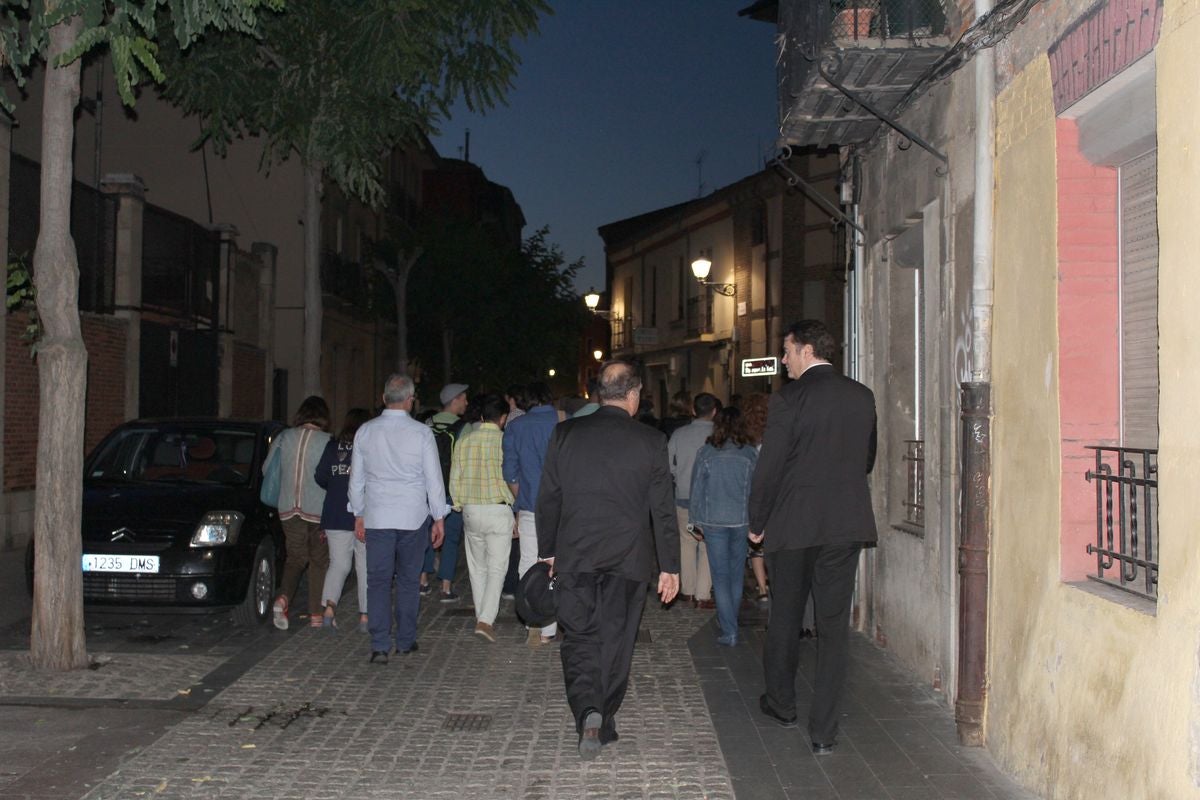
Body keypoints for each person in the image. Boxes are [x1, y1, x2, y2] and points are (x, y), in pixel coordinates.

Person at [536, 360, 680, 759]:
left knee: (580, 636)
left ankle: (589, 710)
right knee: (616, 639)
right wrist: (670, 566)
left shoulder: (565, 434)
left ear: (600, 393)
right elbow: (662, 511)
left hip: (576, 553)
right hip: (628, 557)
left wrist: (548, 551)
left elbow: (549, 496)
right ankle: (605, 717)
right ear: (633, 395)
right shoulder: (651, 441)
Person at [749, 321, 877, 755]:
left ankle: (782, 704)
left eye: (786, 351)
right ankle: (824, 731)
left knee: (785, 616)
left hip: (795, 523)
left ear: (805, 350)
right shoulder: (862, 396)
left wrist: (757, 519)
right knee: (833, 627)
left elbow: (770, 466)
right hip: (845, 523)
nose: (783, 360)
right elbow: (868, 458)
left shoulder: (789, 398)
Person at [349, 374, 448, 664]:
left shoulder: (365, 431)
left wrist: (358, 512)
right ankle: (405, 640)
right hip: (413, 517)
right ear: (410, 400)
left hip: (378, 516)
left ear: (383, 399)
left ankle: (380, 644)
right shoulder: (421, 433)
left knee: (377, 581)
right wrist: (439, 516)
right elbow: (434, 479)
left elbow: (357, 480)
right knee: (407, 581)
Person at [688, 407, 758, 646]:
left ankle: (729, 628)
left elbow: (696, 490)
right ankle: (730, 622)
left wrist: (693, 523)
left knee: (720, 576)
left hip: (713, 521)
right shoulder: (750, 454)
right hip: (741, 520)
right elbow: (757, 491)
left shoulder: (706, 453)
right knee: (736, 574)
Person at [449, 394, 513, 643]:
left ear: (482, 416)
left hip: (471, 509)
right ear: (503, 418)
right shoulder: (506, 441)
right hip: (498, 509)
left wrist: (457, 503)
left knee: (477, 568)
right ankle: (486, 620)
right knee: (497, 568)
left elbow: (455, 477)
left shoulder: (465, 441)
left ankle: (481, 616)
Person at [502, 381, 560, 647]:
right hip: (562, 507)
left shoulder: (516, 426)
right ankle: (554, 624)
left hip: (529, 506)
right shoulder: (563, 422)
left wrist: (520, 496)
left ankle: (534, 621)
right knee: (558, 563)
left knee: (528, 563)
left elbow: (510, 472)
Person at [267, 395, 332, 630]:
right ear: (323, 417)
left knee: (295, 557)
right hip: (317, 508)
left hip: (287, 508)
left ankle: (284, 597)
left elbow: (267, 469)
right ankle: (316, 614)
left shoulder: (284, 437)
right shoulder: (327, 440)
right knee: (319, 560)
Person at [315, 407, 372, 633]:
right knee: (365, 566)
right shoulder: (368, 448)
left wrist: (336, 484)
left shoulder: (332, 447)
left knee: (338, 563)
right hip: (364, 514)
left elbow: (320, 475)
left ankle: (329, 609)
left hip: (335, 511)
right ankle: (365, 617)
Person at [667, 392, 721, 608]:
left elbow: (669, 466)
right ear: (714, 411)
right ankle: (702, 593)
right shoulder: (719, 434)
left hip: (684, 496)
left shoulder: (679, 434)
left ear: (693, 410)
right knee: (708, 545)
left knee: (686, 542)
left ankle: (687, 591)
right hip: (711, 499)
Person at [421, 382, 469, 602]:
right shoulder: (463, 427)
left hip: (427, 491)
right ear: (455, 400)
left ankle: (422, 581)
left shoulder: (426, 424)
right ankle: (446, 587)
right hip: (452, 491)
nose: (466, 402)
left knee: (427, 536)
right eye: (464, 398)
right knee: (450, 539)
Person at [741, 393, 772, 606]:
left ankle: (762, 588)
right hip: (776, 495)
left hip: (754, 493)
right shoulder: (778, 430)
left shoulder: (747, 437)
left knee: (756, 545)